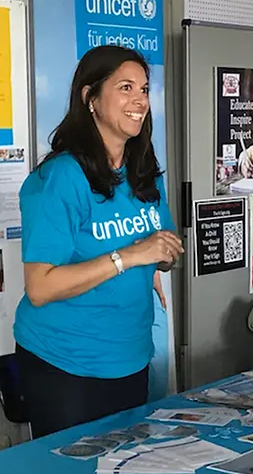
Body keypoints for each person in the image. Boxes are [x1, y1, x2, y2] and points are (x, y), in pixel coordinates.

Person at [12, 45, 182, 438]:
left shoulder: (144, 173)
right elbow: (40, 287)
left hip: (131, 356)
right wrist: (128, 257)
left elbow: (161, 249)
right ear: (90, 98)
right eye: (126, 88)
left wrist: (160, 259)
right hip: (66, 364)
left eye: (143, 89)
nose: (140, 100)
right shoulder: (61, 178)